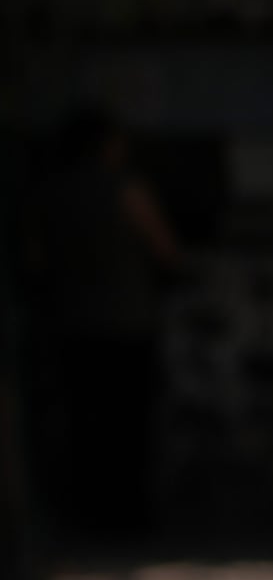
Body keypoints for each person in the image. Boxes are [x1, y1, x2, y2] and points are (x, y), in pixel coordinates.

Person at [27, 106, 181, 539]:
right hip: (126, 322)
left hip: (72, 322)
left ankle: (89, 516)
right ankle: (128, 519)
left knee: (84, 424)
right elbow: (165, 249)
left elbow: (34, 259)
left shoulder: (49, 193)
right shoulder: (125, 189)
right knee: (127, 426)